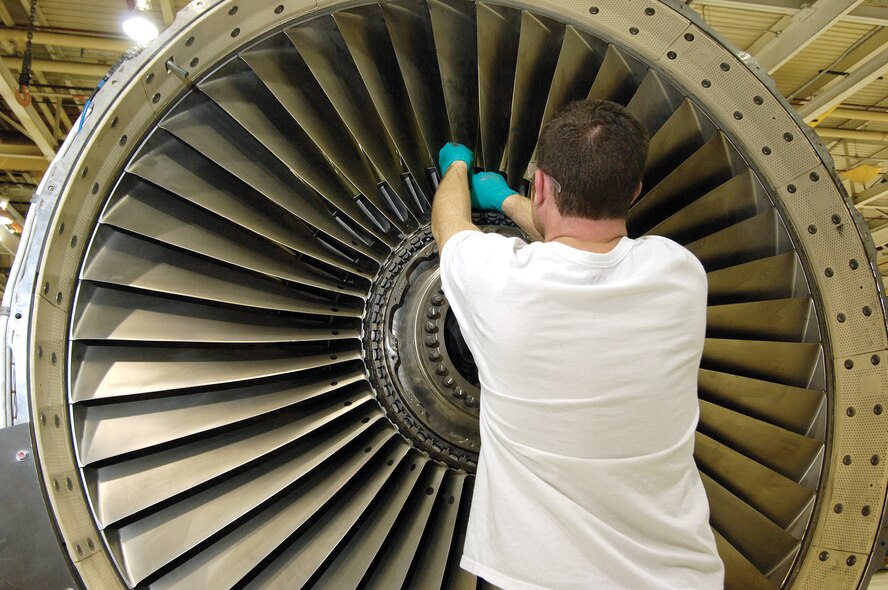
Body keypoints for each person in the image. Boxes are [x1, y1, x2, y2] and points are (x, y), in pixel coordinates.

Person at [431, 99, 725, 590]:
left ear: (541, 184)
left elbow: (451, 226)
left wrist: (458, 170)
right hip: (677, 578)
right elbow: (588, 244)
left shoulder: (499, 283)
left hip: (533, 579)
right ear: (634, 189)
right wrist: (507, 200)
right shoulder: (680, 275)